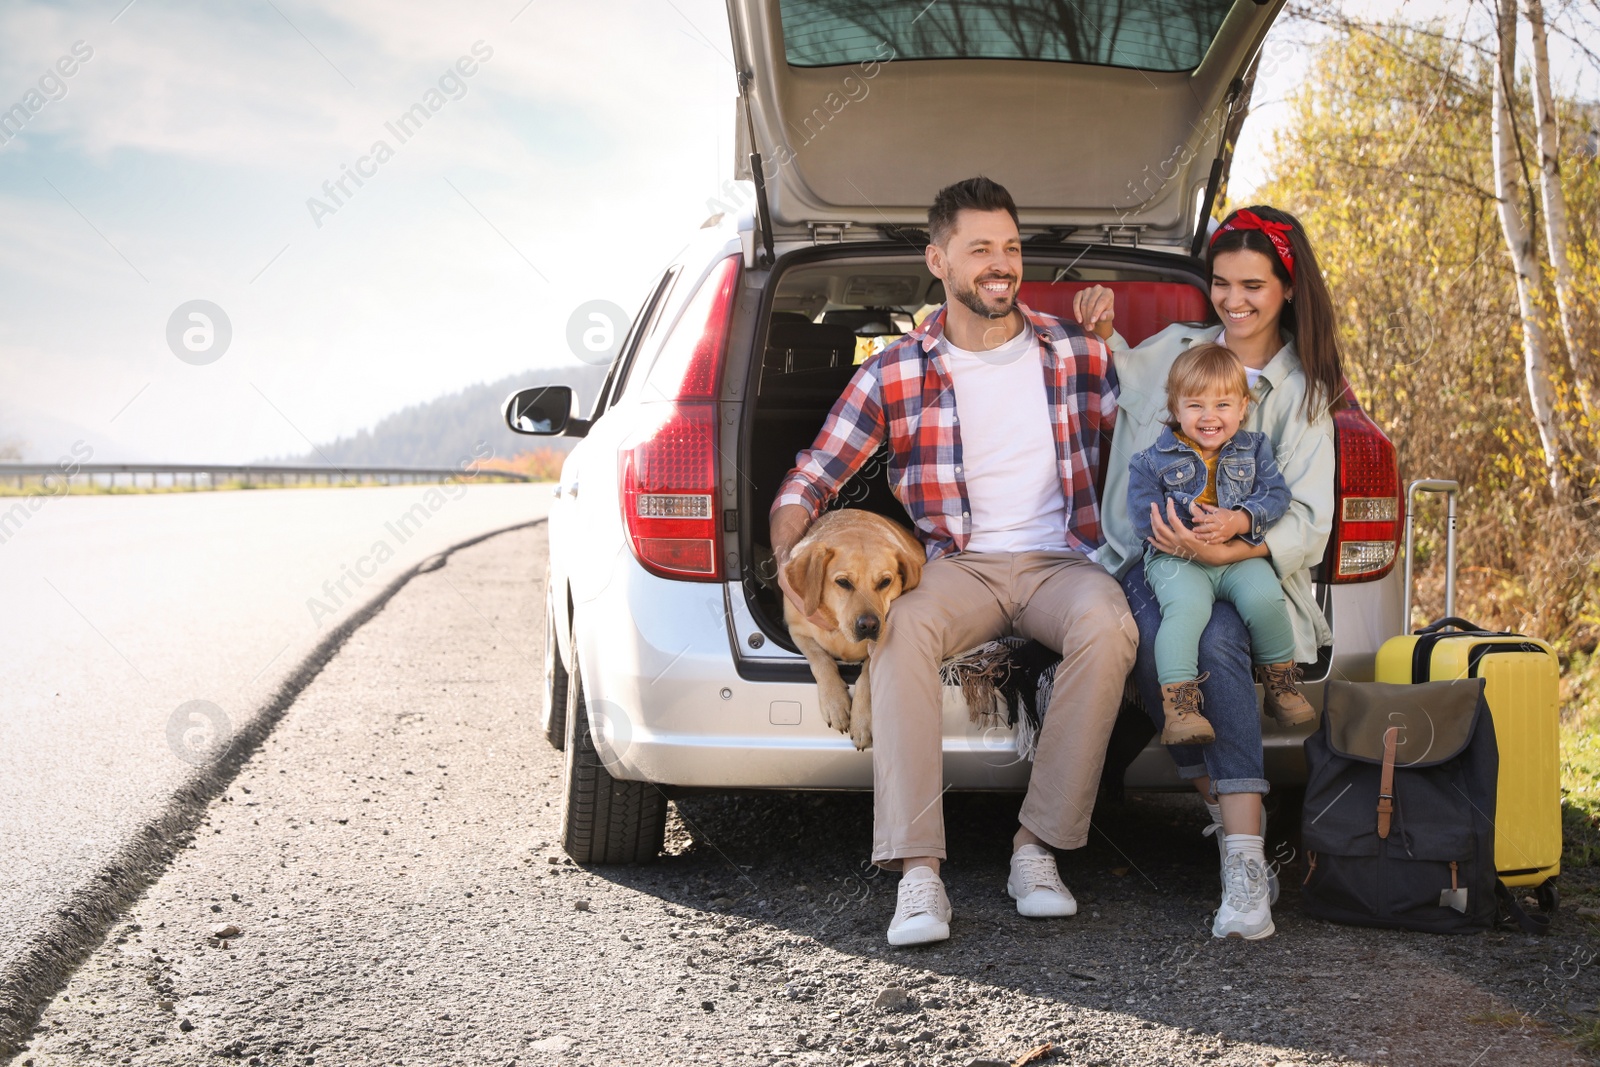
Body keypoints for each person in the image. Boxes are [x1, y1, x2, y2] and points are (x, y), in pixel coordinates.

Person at [770, 177, 1137, 947]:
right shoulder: (895, 370)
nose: (1001, 263)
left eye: (1011, 247)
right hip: (959, 563)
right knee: (900, 628)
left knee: (1109, 625)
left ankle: (1036, 848)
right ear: (939, 260)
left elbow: (1144, 432)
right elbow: (813, 475)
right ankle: (918, 872)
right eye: (980, 249)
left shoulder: (1072, 352)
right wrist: (787, 557)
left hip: (1059, 558)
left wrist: (1113, 338)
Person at [1074, 205, 1342, 941]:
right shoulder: (1180, 349)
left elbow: (1310, 522)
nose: (1234, 300)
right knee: (1181, 627)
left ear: (1287, 287)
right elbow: (1127, 378)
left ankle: (1242, 862)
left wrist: (1236, 545)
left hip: (1253, 573)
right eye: (1222, 284)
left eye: (1253, 285)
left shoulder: (1304, 393)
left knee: (1219, 638)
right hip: (1153, 559)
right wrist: (1101, 328)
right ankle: (1242, 845)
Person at [1126, 343, 1313, 746]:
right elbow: (1143, 513)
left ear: (1243, 407)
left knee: (1266, 600)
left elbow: (1276, 495)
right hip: (1177, 558)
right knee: (1185, 612)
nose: (1209, 417)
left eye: (1223, 404)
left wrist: (1242, 519)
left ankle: (1280, 684)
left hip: (1237, 554)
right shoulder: (1149, 460)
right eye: (1195, 405)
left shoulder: (1256, 448)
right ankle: (1180, 707)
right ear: (1175, 409)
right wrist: (1185, 535)